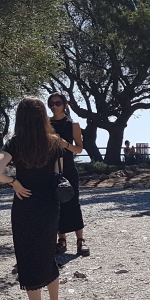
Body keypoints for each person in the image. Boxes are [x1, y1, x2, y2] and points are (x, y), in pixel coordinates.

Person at [0, 98, 65, 300]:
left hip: (26, 204)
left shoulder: (15, 143)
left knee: (29, 257)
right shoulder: (54, 142)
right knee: (46, 252)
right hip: (50, 204)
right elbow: (58, 173)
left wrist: (14, 182)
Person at [47, 93, 89, 256]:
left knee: (73, 202)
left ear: (64, 105)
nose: (54, 106)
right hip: (51, 168)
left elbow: (79, 148)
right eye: (51, 103)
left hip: (69, 168)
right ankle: (61, 240)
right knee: (56, 204)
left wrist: (65, 144)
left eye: (58, 103)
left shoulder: (74, 125)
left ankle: (80, 240)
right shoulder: (47, 124)